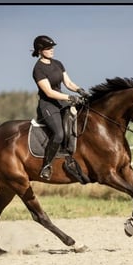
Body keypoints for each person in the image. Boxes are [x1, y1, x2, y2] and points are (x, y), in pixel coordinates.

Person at [31, 35, 88, 180]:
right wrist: (70, 97)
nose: (52, 50)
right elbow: (49, 92)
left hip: (61, 101)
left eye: (52, 48)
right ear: (40, 50)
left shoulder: (58, 64)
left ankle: (71, 157)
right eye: (48, 48)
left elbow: (68, 83)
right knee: (59, 134)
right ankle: (47, 165)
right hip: (48, 105)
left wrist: (80, 90)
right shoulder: (38, 69)